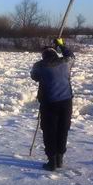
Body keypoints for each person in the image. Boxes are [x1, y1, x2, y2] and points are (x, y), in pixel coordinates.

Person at [31, 38, 75, 171]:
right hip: (66, 102)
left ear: (43, 56)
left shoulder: (39, 66)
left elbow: (34, 76)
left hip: (48, 103)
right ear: (56, 54)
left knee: (49, 132)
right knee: (63, 130)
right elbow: (71, 55)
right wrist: (61, 45)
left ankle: (52, 162)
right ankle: (60, 159)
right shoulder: (66, 63)